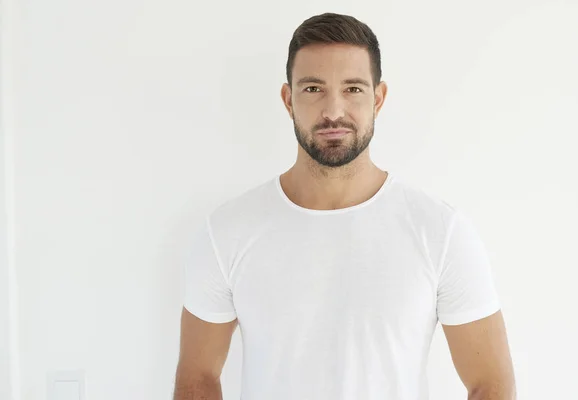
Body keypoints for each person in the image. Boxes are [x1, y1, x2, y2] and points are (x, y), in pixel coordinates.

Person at [173, 12, 516, 400]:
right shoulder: (228, 231)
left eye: (352, 88)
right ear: (288, 99)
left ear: (378, 97)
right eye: (313, 88)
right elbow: (197, 378)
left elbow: (490, 383)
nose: (333, 110)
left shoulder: (440, 231)